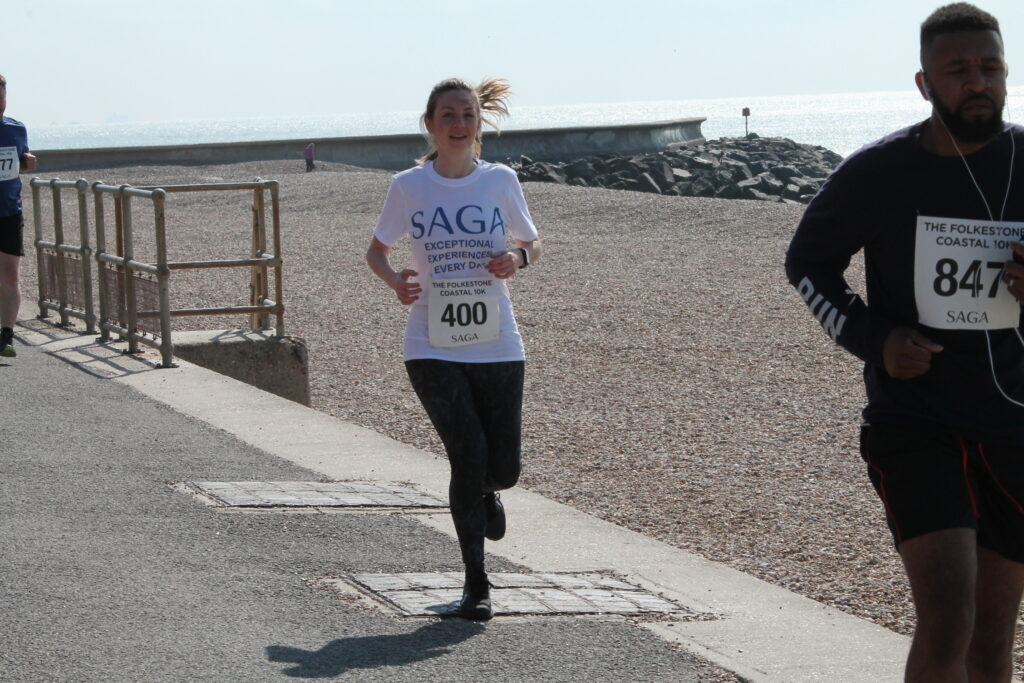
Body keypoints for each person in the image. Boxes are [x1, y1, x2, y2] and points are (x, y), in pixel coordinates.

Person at [786, 4, 1024, 680]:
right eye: (959, 71)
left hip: (1013, 422)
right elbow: (807, 262)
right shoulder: (879, 172)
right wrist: (874, 338)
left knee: (992, 637)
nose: (978, 82)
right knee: (951, 615)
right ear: (924, 84)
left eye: (991, 67)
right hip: (913, 420)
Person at [366, 77, 541, 621]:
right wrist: (397, 281)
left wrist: (519, 258)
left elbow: (532, 241)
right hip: (430, 341)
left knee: (503, 469)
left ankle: (489, 493)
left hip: (496, 340)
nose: (459, 124)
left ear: (478, 124)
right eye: (448, 115)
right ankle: (476, 585)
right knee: (466, 457)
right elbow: (376, 252)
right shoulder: (408, 186)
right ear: (430, 125)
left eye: (467, 114)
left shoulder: (500, 180)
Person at [0, 74, 36, 358]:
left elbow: (20, 160)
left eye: (1, 96)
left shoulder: (16, 128)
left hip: (10, 211)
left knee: (10, 275)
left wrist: (28, 161)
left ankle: (7, 336)